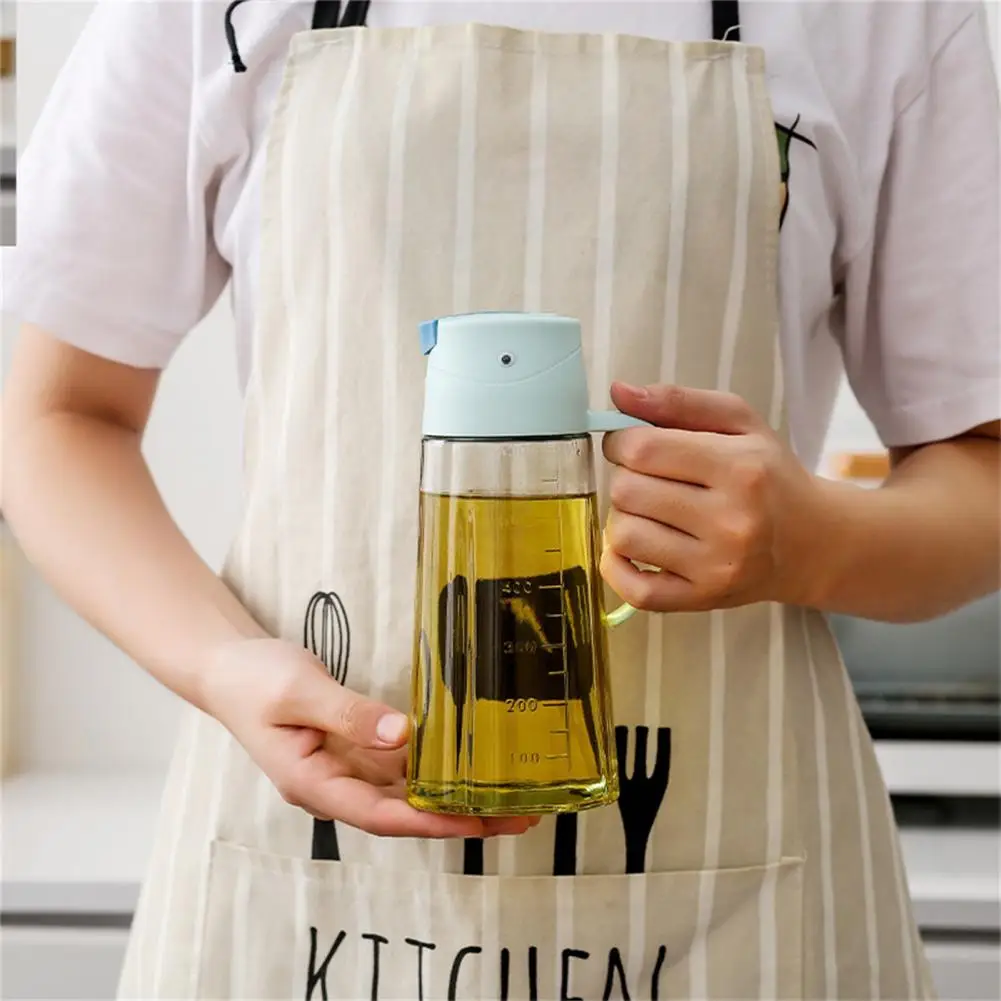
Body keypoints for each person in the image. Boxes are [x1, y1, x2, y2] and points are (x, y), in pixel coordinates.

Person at [3, 0, 999, 997]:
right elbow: (55, 418)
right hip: (302, 872)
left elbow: (980, 462)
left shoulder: (882, 14)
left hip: (737, 884)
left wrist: (814, 540)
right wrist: (224, 662)